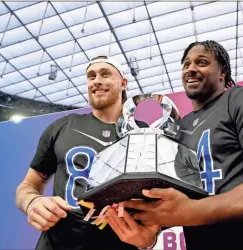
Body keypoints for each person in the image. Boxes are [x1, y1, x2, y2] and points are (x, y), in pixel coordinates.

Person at [120, 40, 243, 250]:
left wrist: (193, 211)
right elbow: (177, 203)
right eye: (186, 64)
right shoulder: (178, 128)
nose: (191, 69)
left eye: (201, 62)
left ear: (222, 73)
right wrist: (149, 233)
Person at [15, 56, 160, 250]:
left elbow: (157, 198)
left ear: (123, 82)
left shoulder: (144, 133)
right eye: (91, 76)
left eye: (105, 74)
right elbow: (27, 185)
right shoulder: (63, 127)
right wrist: (32, 202)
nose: (96, 80)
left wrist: (150, 239)